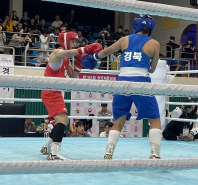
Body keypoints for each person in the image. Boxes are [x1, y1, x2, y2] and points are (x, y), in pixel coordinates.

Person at [81, 15, 161, 159]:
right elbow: (153, 69)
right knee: (154, 119)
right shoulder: (154, 43)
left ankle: (108, 152)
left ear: (135, 26)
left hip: (122, 81)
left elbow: (105, 52)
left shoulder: (125, 39)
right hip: (141, 80)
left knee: (119, 119)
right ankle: (155, 154)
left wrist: (93, 58)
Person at [40, 31, 102, 160]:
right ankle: (54, 153)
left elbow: (72, 76)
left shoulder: (67, 59)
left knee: (59, 121)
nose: (74, 44)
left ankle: (47, 147)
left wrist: (79, 65)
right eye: (72, 41)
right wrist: (86, 49)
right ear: (65, 41)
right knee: (63, 120)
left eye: (76, 42)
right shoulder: (57, 53)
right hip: (51, 91)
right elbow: (67, 52)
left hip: (55, 92)